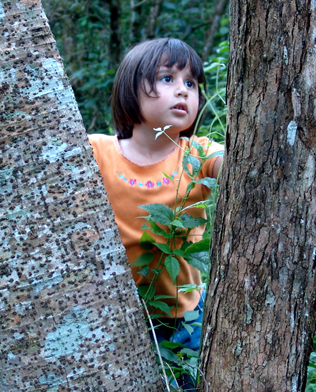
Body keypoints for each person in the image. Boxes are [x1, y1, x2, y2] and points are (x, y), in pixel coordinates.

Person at [88, 38, 223, 390]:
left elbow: (238, 164)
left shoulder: (198, 153)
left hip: (182, 318)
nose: (182, 91)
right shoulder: (96, 151)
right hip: (113, 315)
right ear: (131, 88)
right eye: (167, 79)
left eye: (191, 84)